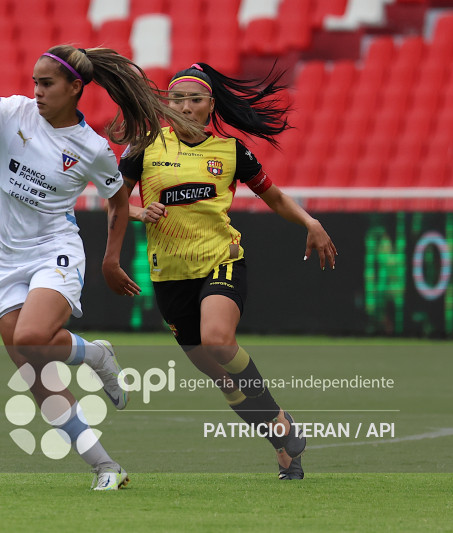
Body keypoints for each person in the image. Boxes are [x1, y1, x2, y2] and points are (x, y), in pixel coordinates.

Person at [0, 19, 202, 490]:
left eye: (47, 83)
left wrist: (111, 260)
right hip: (4, 260)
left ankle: (93, 355)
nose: (36, 91)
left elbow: (118, 200)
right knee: (33, 370)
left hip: (55, 252)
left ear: (75, 88)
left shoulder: (92, 148)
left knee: (33, 337)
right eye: (35, 82)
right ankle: (105, 465)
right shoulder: (11, 112)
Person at [119, 62, 338, 480]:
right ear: (166, 105)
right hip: (169, 276)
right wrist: (138, 212)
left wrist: (310, 222)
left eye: (194, 99)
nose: (185, 106)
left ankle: (278, 418)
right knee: (225, 381)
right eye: (177, 99)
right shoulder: (144, 147)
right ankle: (283, 446)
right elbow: (113, 202)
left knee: (218, 340)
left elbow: (274, 197)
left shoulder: (231, 151)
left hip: (222, 259)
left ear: (210, 106)